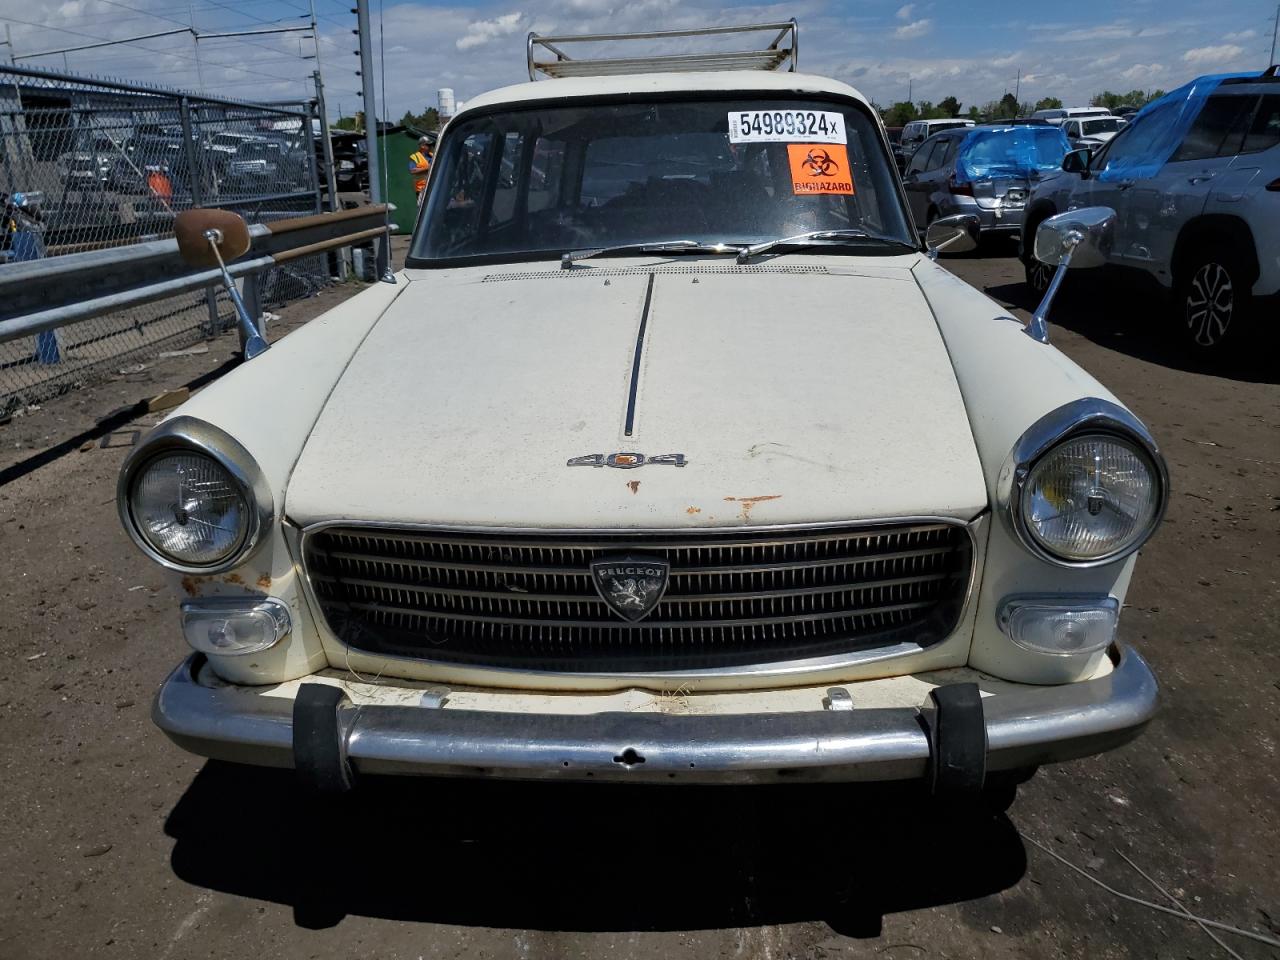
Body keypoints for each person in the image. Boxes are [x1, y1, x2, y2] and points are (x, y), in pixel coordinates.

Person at [409, 135, 432, 204]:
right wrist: (428, 168)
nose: (430, 146)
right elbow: (412, 171)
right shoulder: (415, 157)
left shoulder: (433, 155)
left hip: (432, 186)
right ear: (422, 146)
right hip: (421, 189)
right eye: (428, 145)